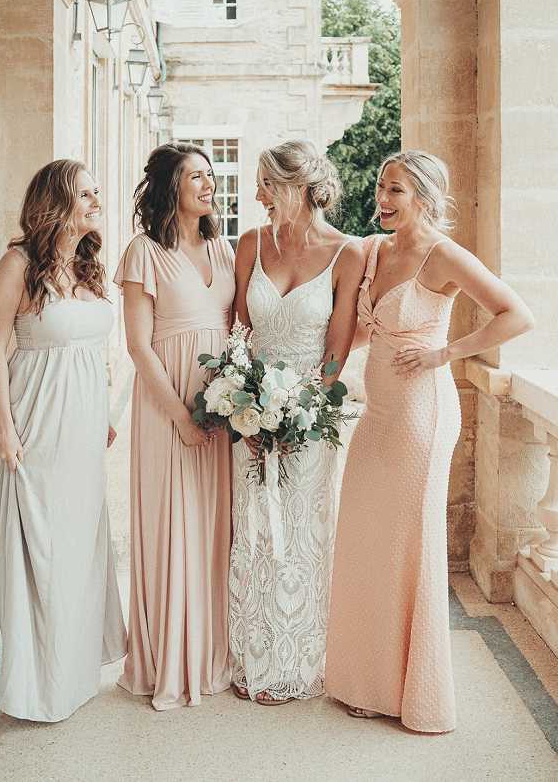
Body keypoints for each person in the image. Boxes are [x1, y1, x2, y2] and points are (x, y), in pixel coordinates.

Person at [326, 150, 534, 733]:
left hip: (423, 415)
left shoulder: (442, 254)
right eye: (380, 188)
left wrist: (447, 353)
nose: (383, 200)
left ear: (422, 194)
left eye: (394, 190)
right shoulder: (374, 251)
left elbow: (516, 315)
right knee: (368, 536)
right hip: (378, 415)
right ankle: (364, 679)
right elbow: (364, 334)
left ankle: (409, 691)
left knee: (409, 544)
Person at [0, 159, 126, 722]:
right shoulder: (17, 265)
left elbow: (90, 349)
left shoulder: (88, 268)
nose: (96, 201)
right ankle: (38, 688)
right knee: (41, 552)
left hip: (83, 432)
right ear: (57, 203)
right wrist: (7, 433)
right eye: (86, 193)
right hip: (36, 427)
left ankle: (75, 674)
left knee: (79, 551)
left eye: (96, 191)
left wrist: (102, 406)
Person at [229, 139, 365, 705]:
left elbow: (336, 354)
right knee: (254, 528)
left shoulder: (348, 252)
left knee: (303, 534)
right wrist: (247, 403)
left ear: (296, 187)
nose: (257, 195)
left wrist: (297, 413)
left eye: (265, 185)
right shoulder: (251, 244)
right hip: (250, 412)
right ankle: (250, 656)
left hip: (309, 419)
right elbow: (240, 331)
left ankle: (295, 662)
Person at [115, 142, 235, 711]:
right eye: (195, 176)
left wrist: (234, 401)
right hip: (169, 407)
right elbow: (139, 346)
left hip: (219, 408)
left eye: (211, 176)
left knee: (211, 526)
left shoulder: (222, 246)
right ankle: (168, 657)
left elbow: (235, 329)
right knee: (172, 523)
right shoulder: (143, 251)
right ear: (170, 187)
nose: (208, 184)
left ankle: (210, 652)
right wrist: (182, 417)